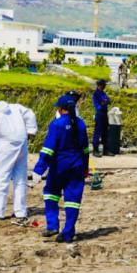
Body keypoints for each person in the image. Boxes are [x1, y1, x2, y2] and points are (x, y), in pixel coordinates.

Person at [33, 95, 90, 243]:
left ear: (60, 108)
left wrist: (39, 169)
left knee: (51, 194)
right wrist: (85, 168)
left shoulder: (56, 125)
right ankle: (68, 232)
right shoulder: (81, 124)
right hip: (77, 167)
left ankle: (52, 226)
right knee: (73, 201)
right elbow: (85, 150)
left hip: (59, 167)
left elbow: (48, 149)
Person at [0, 95, 38, 224]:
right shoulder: (14, 107)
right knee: (20, 177)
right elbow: (30, 113)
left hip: (6, 145)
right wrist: (31, 131)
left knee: (1, 178)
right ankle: (21, 212)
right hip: (22, 143)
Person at [91, 79, 110, 157]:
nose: (105, 86)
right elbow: (101, 103)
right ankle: (95, 150)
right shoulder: (96, 93)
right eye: (104, 85)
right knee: (97, 132)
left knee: (105, 132)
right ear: (100, 85)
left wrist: (105, 101)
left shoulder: (103, 93)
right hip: (99, 113)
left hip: (105, 113)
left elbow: (108, 100)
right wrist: (104, 102)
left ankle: (105, 150)